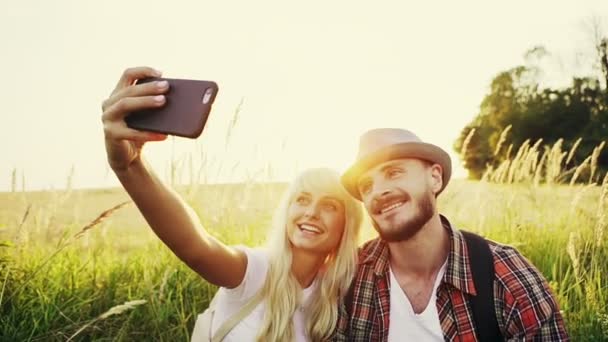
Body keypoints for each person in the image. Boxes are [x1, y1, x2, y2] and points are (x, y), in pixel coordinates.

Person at [101, 67, 363, 341]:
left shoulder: (337, 293)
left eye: (330, 205)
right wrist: (130, 167)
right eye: (303, 199)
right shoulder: (258, 270)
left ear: (348, 222)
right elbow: (197, 247)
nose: (311, 212)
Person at [334, 128, 569, 341]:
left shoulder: (505, 274)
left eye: (394, 172)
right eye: (367, 186)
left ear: (435, 178)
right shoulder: (350, 275)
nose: (378, 191)